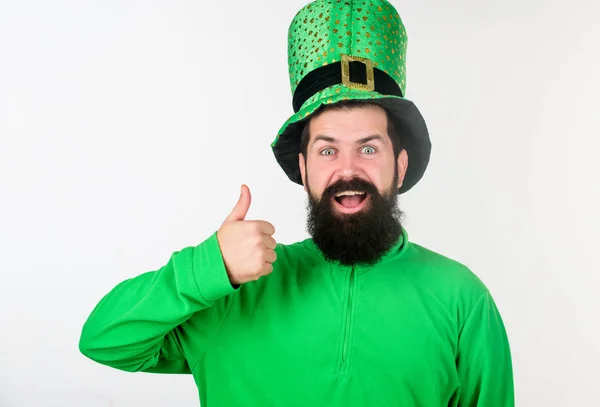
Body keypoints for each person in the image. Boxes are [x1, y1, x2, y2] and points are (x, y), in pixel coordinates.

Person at [79, 0, 514, 405]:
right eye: (327, 150)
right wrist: (209, 266)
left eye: (368, 148)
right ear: (303, 169)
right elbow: (103, 339)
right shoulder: (232, 291)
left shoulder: (462, 299)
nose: (347, 169)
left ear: (400, 166)